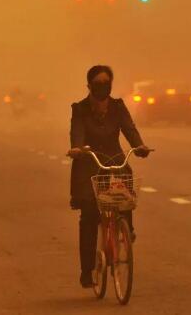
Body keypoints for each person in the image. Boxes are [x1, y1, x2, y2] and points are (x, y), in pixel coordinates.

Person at [67, 65, 150, 288]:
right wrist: (77, 148)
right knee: (90, 214)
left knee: (124, 195)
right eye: (98, 83)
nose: (103, 87)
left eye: (106, 82)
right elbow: (77, 131)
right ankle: (87, 270)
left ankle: (126, 229)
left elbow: (129, 129)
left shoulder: (118, 107)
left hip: (114, 160)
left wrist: (139, 146)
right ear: (89, 86)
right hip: (89, 164)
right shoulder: (80, 109)